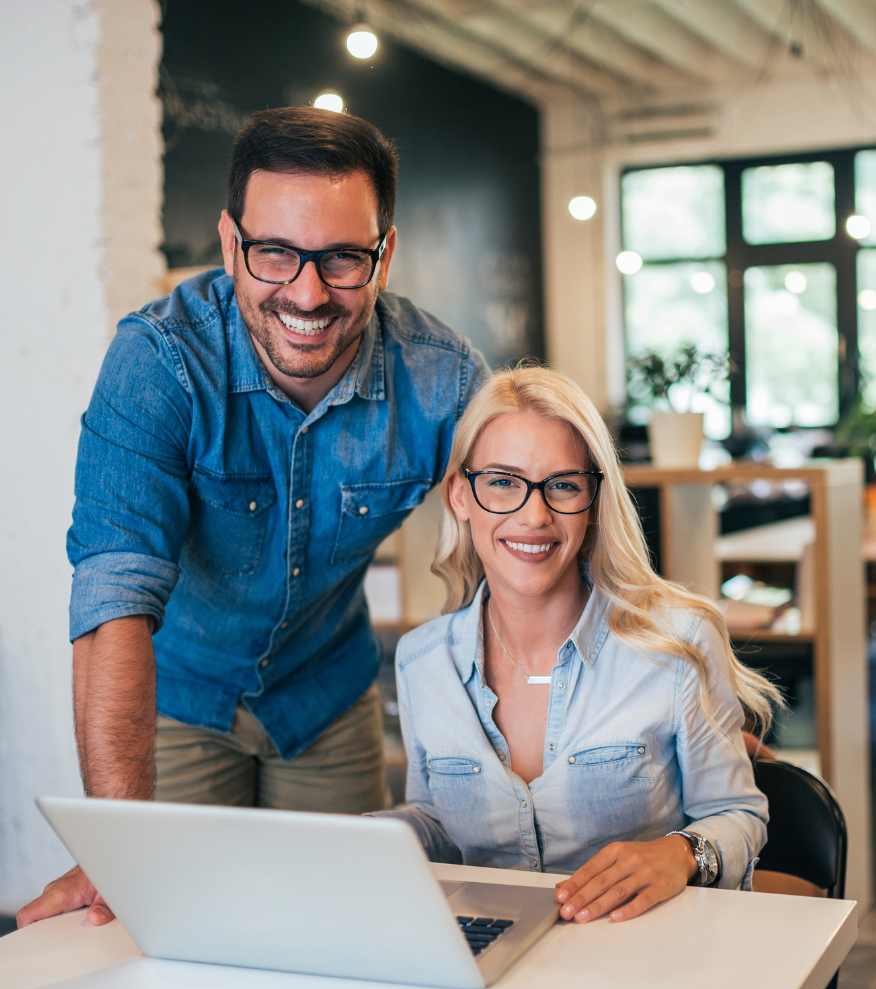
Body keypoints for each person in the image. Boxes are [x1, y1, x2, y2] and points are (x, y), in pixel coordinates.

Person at [17, 107, 489, 928]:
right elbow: (112, 599)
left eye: (343, 258)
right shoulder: (159, 362)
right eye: (275, 253)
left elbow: (544, 538)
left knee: (347, 937)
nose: (307, 294)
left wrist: (672, 695)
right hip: (175, 698)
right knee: (169, 937)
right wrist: (119, 843)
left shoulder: (441, 379)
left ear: (385, 253)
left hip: (326, 695)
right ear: (232, 243)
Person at [377, 366, 777, 922]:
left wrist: (679, 854)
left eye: (563, 485)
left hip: (641, 956)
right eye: (502, 482)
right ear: (460, 497)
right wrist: (369, 835)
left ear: (592, 504)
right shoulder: (422, 661)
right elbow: (439, 825)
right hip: (491, 955)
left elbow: (737, 814)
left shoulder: (677, 642)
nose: (534, 515)